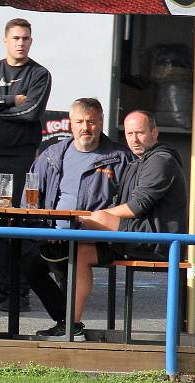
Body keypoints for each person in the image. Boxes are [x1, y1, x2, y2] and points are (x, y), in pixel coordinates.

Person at [45, 110, 188, 340]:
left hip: (158, 241)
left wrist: (96, 217)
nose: (134, 139)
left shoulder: (162, 160)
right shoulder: (136, 162)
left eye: (140, 133)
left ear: (154, 132)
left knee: (87, 227)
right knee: (80, 251)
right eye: (129, 133)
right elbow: (119, 202)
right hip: (131, 236)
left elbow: (136, 206)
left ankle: (57, 247)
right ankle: (71, 326)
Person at [22, 98, 134, 337]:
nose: (86, 127)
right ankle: (66, 319)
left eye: (92, 122)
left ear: (101, 122)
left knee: (70, 256)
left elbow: (131, 204)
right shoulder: (51, 155)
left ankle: (69, 324)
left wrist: (96, 224)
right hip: (53, 233)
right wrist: (43, 229)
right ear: (70, 124)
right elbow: (29, 198)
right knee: (27, 263)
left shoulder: (120, 158)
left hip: (98, 237)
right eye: (80, 121)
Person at [0, 18, 51, 312]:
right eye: (16, 38)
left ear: (31, 41)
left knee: (18, 222)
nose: (21, 43)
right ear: (5, 40)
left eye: (26, 38)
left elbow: (31, 112)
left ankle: (20, 292)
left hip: (21, 156)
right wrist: (11, 99)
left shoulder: (40, 74)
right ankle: (2, 288)